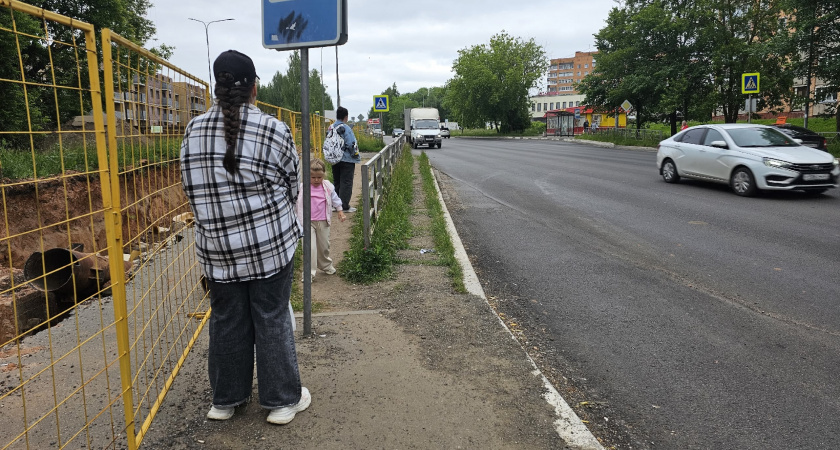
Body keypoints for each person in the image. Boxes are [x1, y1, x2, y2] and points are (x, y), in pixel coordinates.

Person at [180, 50, 310, 425]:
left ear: (216, 87)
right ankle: (281, 402)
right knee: (271, 318)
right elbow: (292, 185)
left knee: (226, 320)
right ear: (254, 88)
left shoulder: (193, 130)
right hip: (269, 248)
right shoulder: (273, 129)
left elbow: (189, 188)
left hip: (217, 251)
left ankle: (225, 401)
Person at [296, 158, 346, 281]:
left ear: (324, 175)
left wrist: (340, 210)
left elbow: (335, 199)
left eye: (319, 177)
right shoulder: (302, 188)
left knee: (324, 246)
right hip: (307, 222)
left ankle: (325, 265)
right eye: (313, 177)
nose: (316, 180)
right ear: (307, 176)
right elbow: (295, 203)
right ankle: (309, 273)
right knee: (310, 248)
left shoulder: (328, 186)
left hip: (323, 221)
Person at [329, 106, 359, 213]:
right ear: (346, 117)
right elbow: (351, 143)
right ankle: (344, 206)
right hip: (347, 159)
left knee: (337, 181)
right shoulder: (346, 128)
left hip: (334, 158)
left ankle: (335, 205)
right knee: (346, 182)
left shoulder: (331, 127)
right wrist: (355, 155)